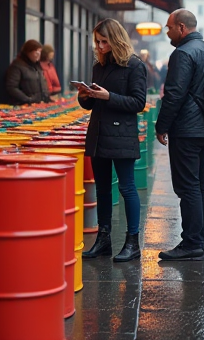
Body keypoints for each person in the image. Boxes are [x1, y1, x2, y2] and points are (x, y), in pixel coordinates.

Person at [79, 19, 147, 263]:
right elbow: (92, 103)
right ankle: (103, 239)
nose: (99, 46)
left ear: (116, 39)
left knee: (127, 187)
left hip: (122, 134)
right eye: (97, 41)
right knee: (102, 188)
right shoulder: (100, 65)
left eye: (104, 41)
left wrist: (109, 96)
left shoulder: (135, 66)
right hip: (98, 133)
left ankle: (132, 242)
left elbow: (138, 103)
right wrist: (85, 96)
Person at [154, 9, 204, 261]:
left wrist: (161, 126)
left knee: (188, 185)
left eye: (169, 27)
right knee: (201, 182)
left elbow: (174, 95)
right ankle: (200, 238)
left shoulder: (182, 53)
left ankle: (191, 242)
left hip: (187, 128)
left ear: (181, 27)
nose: (167, 31)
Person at [4, 39, 50, 105]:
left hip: (38, 105)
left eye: (39, 51)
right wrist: (28, 99)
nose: (38, 53)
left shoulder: (37, 66)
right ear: (28, 51)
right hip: (23, 105)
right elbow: (11, 87)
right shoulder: (17, 66)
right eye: (35, 51)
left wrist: (47, 97)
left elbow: (43, 82)